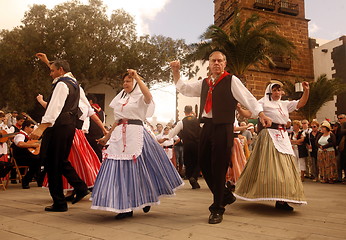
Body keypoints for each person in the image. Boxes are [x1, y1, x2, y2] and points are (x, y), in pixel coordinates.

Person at [170, 51, 272, 224]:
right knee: (203, 162)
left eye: (220, 61)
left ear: (225, 63)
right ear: (209, 64)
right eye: (213, 60)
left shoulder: (231, 80)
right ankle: (225, 194)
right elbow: (184, 88)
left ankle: (217, 208)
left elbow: (248, 98)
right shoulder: (204, 83)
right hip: (206, 127)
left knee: (219, 167)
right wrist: (175, 71)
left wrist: (261, 114)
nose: (216, 63)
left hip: (223, 127)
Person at [91, 69, 183, 219]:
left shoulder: (141, 96)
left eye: (129, 81)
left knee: (140, 170)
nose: (125, 83)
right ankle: (125, 206)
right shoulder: (121, 97)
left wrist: (138, 78)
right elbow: (118, 119)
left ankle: (144, 198)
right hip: (120, 136)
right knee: (119, 170)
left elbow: (148, 96)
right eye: (125, 81)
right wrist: (107, 136)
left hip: (137, 135)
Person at [234, 80, 309, 211]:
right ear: (270, 91)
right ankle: (274, 195)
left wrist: (307, 90)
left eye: (279, 90)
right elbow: (250, 113)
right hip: (269, 136)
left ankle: (283, 199)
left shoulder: (285, 104)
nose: (277, 92)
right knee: (273, 167)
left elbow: (301, 103)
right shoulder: (262, 102)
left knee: (286, 166)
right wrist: (240, 109)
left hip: (284, 137)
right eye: (274, 90)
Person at [31, 58, 89, 212]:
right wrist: (47, 61)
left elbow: (54, 108)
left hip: (58, 126)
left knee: (52, 164)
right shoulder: (75, 83)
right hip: (68, 126)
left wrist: (41, 128)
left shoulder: (62, 84)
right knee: (60, 161)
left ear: (61, 70)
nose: (50, 74)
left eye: (52, 70)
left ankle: (60, 203)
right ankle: (80, 187)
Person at [169, 105, 201, 189]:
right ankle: (194, 177)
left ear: (184, 112)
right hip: (197, 144)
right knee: (198, 161)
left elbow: (173, 133)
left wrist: (166, 138)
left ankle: (191, 177)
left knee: (188, 162)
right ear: (192, 111)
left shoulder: (181, 122)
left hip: (187, 144)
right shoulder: (197, 121)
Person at [11, 120, 42, 189]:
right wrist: (33, 145)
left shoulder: (29, 137)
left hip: (29, 157)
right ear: (26, 127)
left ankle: (40, 180)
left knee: (42, 159)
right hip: (21, 158)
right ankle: (26, 180)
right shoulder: (20, 135)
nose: (33, 129)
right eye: (32, 127)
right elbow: (20, 144)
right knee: (37, 160)